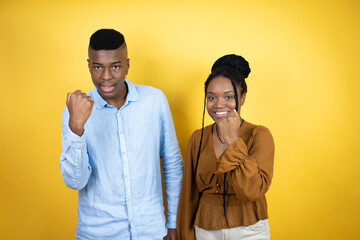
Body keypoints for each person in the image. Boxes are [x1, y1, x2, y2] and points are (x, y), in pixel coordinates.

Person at [60, 29, 183, 240]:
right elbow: (75, 182)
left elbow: (172, 163)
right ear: (89, 65)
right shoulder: (74, 111)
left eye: (115, 67)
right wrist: (76, 128)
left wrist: (173, 222)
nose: (106, 77)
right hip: (98, 234)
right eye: (98, 67)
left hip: (150, 231)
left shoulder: (154, 100)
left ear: (127, 65)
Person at [177, 54, 275, 240]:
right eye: (211, 97)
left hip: (250, 230)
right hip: (205, 230)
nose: (219, 104)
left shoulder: (260, 135)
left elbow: (251, 191)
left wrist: (232, 140)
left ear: (243, 98)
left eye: (228, 97)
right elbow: (188, 197)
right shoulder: (198, 138)